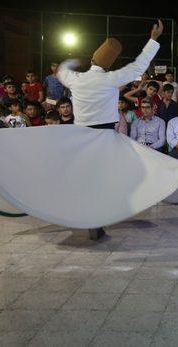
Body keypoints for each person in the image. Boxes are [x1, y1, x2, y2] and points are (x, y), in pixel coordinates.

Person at [57, 20, 163, 239]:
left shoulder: (76, 79)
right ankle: (98, 220)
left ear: (92, 60)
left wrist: (71, 61)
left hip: (81, 137)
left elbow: (61, 71)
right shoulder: (111, 79)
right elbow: (138, 66)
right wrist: (153, 40)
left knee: (87, 180)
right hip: (104, 137)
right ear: (108, 65)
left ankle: (89, 218)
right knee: (103, 181)